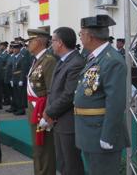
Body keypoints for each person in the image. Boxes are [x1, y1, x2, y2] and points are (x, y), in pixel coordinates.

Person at [74, 15, 130, 175]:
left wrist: (108, 135)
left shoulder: (111, 60)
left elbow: (116, 103)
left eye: (81, 34)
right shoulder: (95, 57)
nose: (81, 38)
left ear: (90, 36)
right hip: (90, 131)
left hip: (101, 133)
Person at [43, 27, 85, 175]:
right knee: (63, 163)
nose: (51, 44)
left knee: (71, 164)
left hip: (69, 122)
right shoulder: (62, 61)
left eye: (53, 41)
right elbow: (53, 90)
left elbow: (69, 95)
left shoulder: (76, 63)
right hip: (58, 120)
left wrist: (49, 111)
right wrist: (49, 111)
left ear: (60, 43)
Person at [22, 29, 57, 175]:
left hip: (42, 111)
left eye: (30, 41)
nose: (28, 44)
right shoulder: (37, 60)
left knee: (45, 150)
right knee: (38, 149)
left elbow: (51, 91)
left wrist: (47, 114)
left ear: (39, 42)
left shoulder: (49, 61)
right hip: (34, 110)